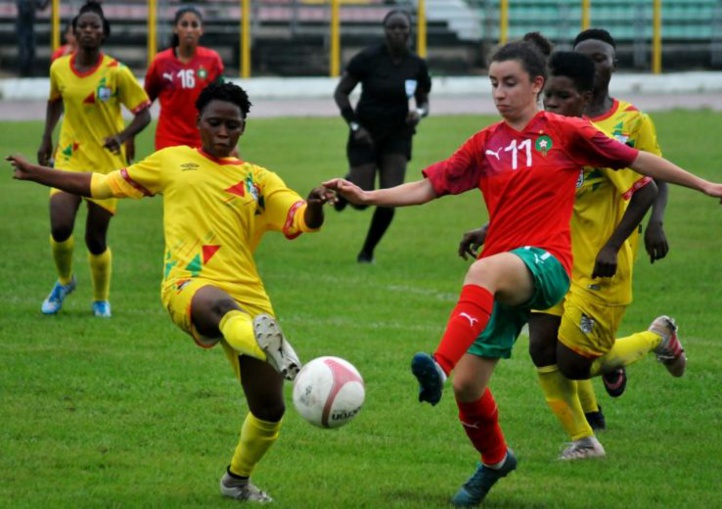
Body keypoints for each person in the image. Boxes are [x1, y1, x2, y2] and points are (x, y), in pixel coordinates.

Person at [324, 40, 722, 506]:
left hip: (549, 264)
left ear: (537, 84)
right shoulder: (485, 143)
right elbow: (431, 185)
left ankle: (437, 362)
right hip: (505, 273)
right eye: (493, 83)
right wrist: (368, 197)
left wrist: (704, 184)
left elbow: (637, 163)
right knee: (468, 388)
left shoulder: (566, 131)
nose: (499, 92)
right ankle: (495, 461)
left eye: (509, 82)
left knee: (485, 272)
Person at [8, 80, 336, 503]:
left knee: (269, 410)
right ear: (197, 122)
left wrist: (314, 203)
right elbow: (104, 183)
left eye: (232, 126)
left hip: (250, 299)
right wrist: (39, 173)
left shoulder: (259, 179)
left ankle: (236, 480)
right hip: (188, 284)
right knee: (220, 306)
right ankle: (264, 339)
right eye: (214, 123)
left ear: (243, 129)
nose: (223, 132)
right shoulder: (172, 161)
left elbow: (299, 220)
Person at [458, 50, 671, 461]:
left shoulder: (595, 139)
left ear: (584, 97)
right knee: (541, 347)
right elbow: (537, 195)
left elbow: (645, 188)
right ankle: (584, 440)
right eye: (549, 96)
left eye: (561, 97)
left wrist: (612, 245)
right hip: (553, 261)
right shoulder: (547, 138)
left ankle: (657, 337)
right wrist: (489, 230)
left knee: (573, 363)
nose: (551, 104)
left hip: (597, 267)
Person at [572, 27, 670, 410]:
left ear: (615, 63)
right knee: (551, 340)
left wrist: (657, 223)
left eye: (600, 58)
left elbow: (656, 176)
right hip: (562, 240)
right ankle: (591, 418)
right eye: (585, 59)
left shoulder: (632, 121)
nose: (593, 66)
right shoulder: (562, 116)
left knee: (573, 347)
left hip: (612, 244)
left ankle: (655, 338)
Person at [37, 1, 151, 318]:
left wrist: (123, 136)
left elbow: (144, 114)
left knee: (95, 237)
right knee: (60, 225)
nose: (88, 30)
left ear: (104, 34)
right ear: (74, 32)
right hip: (70, 157)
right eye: (83, 26)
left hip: (106, 163)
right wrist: (47, 137)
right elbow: (54, 102)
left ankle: (101, 298)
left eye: (95, 26)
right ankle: (64, 281)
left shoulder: (116, 72)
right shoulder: (59, 67)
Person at [333, 8, 431, 263]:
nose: (398, 32)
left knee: (391, 196)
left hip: (398, 134)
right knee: (362, 200)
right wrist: (355, 126)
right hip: (366, 132)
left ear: (410, 31)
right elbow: (341, 93)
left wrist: (418, 113)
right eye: (393, 28)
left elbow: (424, 101)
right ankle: (348, 185)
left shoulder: (416, 64)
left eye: (403, 28)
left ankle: (367, 252)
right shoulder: (368, 58)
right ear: (385, 31)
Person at [143, 5, 224, 150]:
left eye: (194, 25)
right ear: (175, 28)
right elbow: (144, 102)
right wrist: (130, 136)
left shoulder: (212, 60)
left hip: (202, 138)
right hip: (168, 139)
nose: (189, 30)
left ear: (201, 30)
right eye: (184, 24)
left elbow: (222, 99)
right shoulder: (160, 62)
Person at [16, 0, 49, 76]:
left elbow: (42, 7)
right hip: (22, 26)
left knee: (32, 49)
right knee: (23, 49)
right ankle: (23, 72)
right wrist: (32, 4)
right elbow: (24, 11)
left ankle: (30, 71)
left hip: (30, 27)